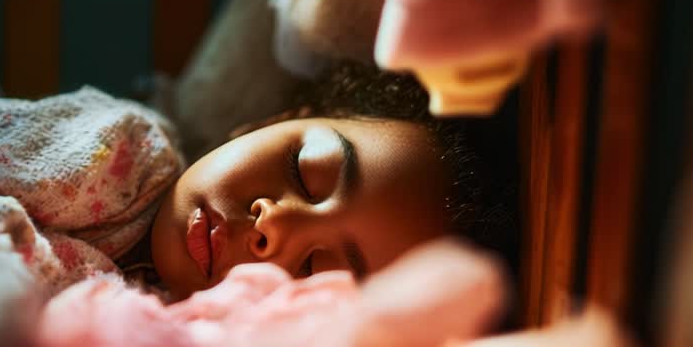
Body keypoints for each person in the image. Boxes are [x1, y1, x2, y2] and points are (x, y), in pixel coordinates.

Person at [146, 60, 519, 300]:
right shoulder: (123, 144)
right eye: (302, 171)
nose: (273, 225)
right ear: (274, 122)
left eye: (313, 270)